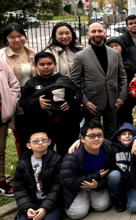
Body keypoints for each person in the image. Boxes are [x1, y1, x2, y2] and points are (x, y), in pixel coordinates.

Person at [70, 23, 127, 139]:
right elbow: (75, 82)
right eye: (94, 31)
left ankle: (110, 153)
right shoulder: (80, 56)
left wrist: (122, 96)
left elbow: (122, 76)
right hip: (92, 103)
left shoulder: (115, 54)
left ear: (104, 34)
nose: (97, 34)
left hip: (113, 101)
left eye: (100, 31)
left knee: (112, 132)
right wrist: (84, 101)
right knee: (92, 132)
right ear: (88, 34)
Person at [19, 52, 83, 156]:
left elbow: (78, 93)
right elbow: (23, 102)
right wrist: (36, 102)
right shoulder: (31, 83)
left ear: (55, 64)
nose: (46, 67)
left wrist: (70, 102)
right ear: (35, 65)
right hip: (43, 125)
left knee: (67, 151)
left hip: (66, 124)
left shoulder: (64, 79)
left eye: (49, 64)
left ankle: (65, 171)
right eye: (42, 64)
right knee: (46, 153)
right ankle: (48, 171)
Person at [61, 120, 115, 220]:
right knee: (77, 213)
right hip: (79, 187)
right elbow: (67, 181)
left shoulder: (108, 148)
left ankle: (92, 197)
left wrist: (98, 185)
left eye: (100, 135)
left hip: (98, 184)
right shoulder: (73, 155)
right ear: (82, 138)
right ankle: (85, 198)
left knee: (102, 206)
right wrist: (96, 176)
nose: (96, 139)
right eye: (91, 136)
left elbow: (111, 170)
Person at [13, 131, 63, 220]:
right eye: (36, 141)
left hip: (50, 199)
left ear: (49, 142)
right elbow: (19, 188)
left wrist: (45, 207)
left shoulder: (57, 160)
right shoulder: (23, 163)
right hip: (33, 200)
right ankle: (30, 217)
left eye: (44, 140)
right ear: (28, 145)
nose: (40, 143)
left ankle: (47, 214)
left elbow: (57, 187)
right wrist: (26, 208)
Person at [0, 23, 37, 157]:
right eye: (12, 37)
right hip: (14, 98)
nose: (17, 40)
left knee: (36, 133)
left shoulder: (33, 53)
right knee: (21, 135)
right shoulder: (2, 56)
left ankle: (38, 163)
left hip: (34, 99)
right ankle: (24, 165)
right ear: (6, 39)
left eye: (20, 36)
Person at [107, 122, 136, 213]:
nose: (127, 136)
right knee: (114, 175)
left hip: (133, 185)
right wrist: (79, 141)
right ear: (118, 137)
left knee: (134, 208)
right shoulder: (112, 147)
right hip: (119, 181)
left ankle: (129, 196)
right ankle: (119, 198)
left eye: (130, 134)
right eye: (124, 134)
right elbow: (98, 141)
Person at [0, 59, 20, 197]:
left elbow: (14, 84)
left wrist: (10, 103)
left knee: (0, 149)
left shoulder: (1, 63)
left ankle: (0, 182)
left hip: (1, 112)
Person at [105, 36, 131, 127]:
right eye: (111, 46)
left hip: (125, 97)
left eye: (116, 45)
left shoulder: (128, 63)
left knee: (125, 120)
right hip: (110, 96)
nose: (114, 48)